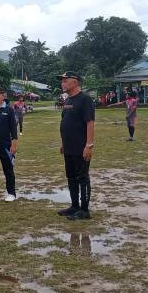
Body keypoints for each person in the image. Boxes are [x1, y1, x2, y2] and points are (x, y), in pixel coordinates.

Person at [56, 72, 95, 221]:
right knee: (71, 177)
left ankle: (84, 210)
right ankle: (74, 206)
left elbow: (90, 122)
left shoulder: (84, 99)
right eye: (62, 82)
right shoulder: (67, 100)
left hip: (81, 146)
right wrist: (62, 142)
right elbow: (64, 123)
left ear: (75, 82)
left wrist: (89, 145)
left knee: (82, 177)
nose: (63, 84)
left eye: (65, 81)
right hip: (68, 146)